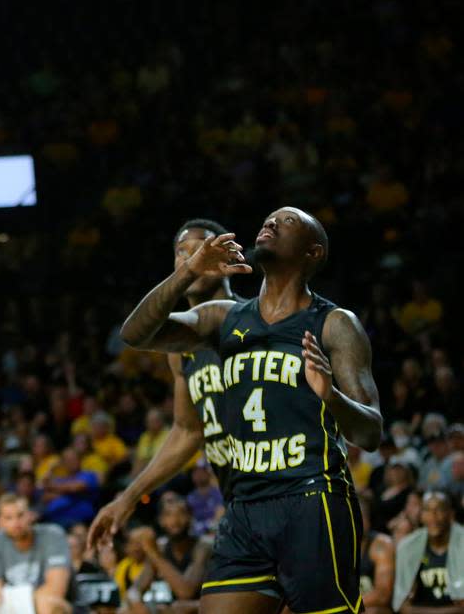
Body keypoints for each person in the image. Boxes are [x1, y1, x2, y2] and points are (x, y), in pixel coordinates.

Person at [119, 207, 383, 614]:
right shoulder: (222, 317)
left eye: (289, 221)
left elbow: (370, 432)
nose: (272, 223)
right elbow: (135, 335)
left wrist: (330, 395)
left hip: (312, 499)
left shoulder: (334, 324)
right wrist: (188, 271)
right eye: (270, 219)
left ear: (313, 252)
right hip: (244, 508)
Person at [89, 219, 237, 551]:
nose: (190, 258)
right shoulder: (181, 350)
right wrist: (127, 498)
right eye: (181, 252)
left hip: (280, 492)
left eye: (200, 248)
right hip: (237, 502)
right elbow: (187, 431)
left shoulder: (245, 321)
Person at [0, 495, 73, 614]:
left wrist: (14, 599)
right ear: (0, 521)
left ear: (30, 515)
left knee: (47, 602)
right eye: (8, 518)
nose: (16, 522)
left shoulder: (53, 535)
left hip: (49, 605)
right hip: (15, 605)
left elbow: (56, 590)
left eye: (20, 515)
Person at [125, 493, 212, 614]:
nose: (175, 520)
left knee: (183, 608)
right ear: (161, 520)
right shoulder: (161, 547)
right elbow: (134, 590)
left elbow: (186, 592)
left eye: (181, 513)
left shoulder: (203, 546)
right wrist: (137, 603)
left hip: (204, 608)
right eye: (168, 515)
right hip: (172, 609)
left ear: (190, 517)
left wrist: (153, 552)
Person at [393, 491, 464, 612]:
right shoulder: (408, 547)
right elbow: (402, 606)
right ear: (421, 515)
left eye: (439, 510)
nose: (433, 516)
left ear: (450, 514)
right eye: (427, 510)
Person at [357, 492, 395, 614]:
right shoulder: (331, 546)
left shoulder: (382, 545)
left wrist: (344, 607)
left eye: (362, 516)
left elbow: (382, 596)